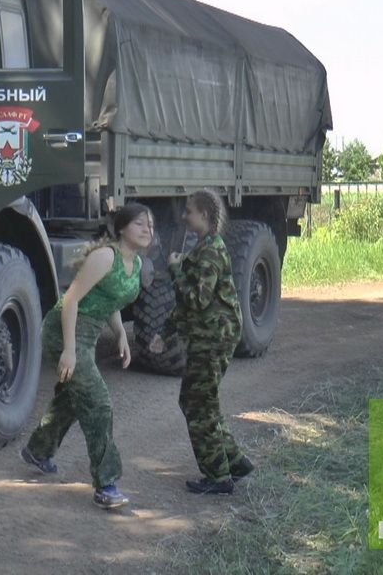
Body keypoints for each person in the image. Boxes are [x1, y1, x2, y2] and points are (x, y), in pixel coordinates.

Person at [20, 203, 154, 510]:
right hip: (64, 330)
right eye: (140, 224)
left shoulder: (133, 263)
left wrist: (120, 333)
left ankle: (38, 451)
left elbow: (111, 298)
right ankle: (107, 484)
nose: (148, 230)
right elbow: (70, 300)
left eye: (151, 225)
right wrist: (68, 349)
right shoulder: (105, 256)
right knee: (98, 402)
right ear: (122, 228)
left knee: (74, 395)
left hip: (88, 334)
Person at [167, 189, 254, 495]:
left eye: (189, 211)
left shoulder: (211, 251)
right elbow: (189, 307)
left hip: (213, 338)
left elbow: (198, 299)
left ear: (203, 215)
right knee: (203, 402)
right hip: (209, 335)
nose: (184, 216)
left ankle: (218, 476)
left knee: (196, 404)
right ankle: (233, 460)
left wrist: (176, 270)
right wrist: (163, 334)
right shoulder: (205, 247)